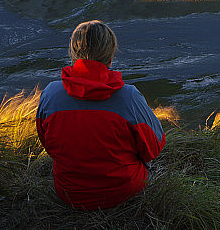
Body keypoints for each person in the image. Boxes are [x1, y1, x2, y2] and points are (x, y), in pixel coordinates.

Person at [36, 20, 165, 210]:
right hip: (123, 193)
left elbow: (47, 144)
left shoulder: (50, 94)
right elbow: (153, 149)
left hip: (69, 193)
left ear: (72, 52)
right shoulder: (128, 97)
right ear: (110, 55)